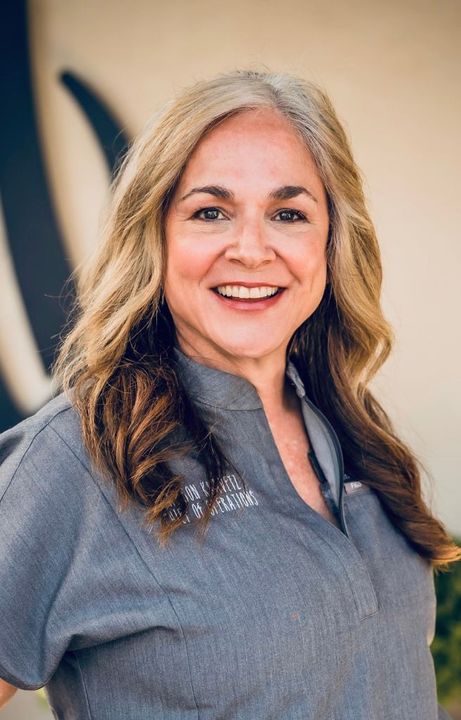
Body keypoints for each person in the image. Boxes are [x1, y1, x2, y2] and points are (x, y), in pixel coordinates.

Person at [0, 69, 458, 720]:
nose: (250, 249)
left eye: (288, 213)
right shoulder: (79, 457)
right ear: (154, 235)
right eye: (209, 211)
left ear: (330, 240)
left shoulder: (353, 427)